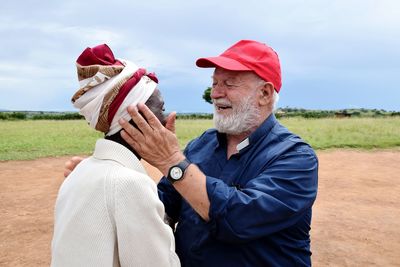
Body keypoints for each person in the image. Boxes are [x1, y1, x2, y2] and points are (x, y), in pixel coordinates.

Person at [65, 40, 318, 266]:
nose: (216, 93)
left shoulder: (296, 159)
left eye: (229, 83)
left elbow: (238, 219)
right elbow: (163, 206)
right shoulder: (203, 145)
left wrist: (172, 162)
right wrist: (106, 185)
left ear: (264, 93)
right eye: (215, 83)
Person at [52, 44, 180, 267]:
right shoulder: (130, 184)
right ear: (137, 117)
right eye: (161, 109)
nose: (167, 118)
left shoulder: (80, 171)